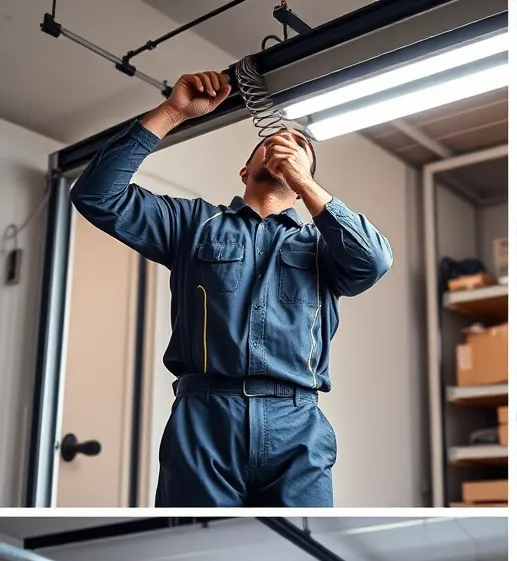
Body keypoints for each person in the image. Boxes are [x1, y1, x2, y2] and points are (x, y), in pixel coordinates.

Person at [70, 71, 393, 507]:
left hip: (296, 426)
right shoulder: (191, 225)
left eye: (301, 151)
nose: (284, 146)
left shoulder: (324, 246)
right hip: (204, 419)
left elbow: (374, 262)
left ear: (302, 188)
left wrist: (307, 182)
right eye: (272, 144)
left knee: (299, 541)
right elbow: (96, 197)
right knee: (190, 541)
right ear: (246, 169)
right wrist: (172, 113)